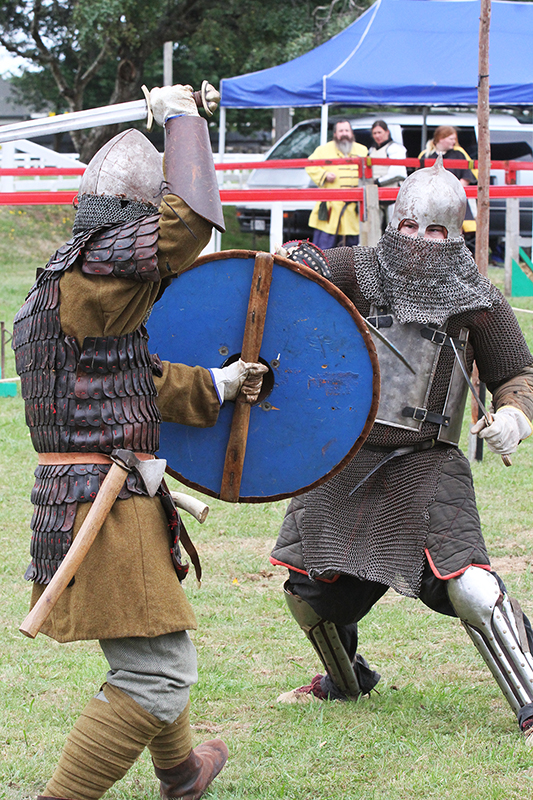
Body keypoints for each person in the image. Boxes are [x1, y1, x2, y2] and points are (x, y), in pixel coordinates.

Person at [12, 83, 267, 800]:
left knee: (156, 637)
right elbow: (190, 225)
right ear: (132, 214)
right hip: (105, 502)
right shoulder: (100, 266)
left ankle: (182, 774)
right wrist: (185, 118)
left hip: (88, 494)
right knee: (156, 671)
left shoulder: (56, 285)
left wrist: (216, 384)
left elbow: (125, 377)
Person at [270, 155, 533, 742]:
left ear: (454, 235)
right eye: (410, 226)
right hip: (347, 457)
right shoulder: (360, 269)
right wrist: (298, 260)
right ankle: (345, 680)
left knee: (470, 587)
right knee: (307, 592)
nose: (420, 240)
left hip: (426, 460)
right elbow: (303, 269)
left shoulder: (477, 299)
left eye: (435, 230)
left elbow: (519, 372)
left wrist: (515, 414)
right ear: (394, 224)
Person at [305, 120, 368, 249]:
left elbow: (368, 171)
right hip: (331, 210)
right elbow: (310, 165)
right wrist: (324, 175)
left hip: (352, 211)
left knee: (352, 251)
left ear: (351, 133)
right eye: (341, 131)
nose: (344, 134)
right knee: (324, 250)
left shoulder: (362, 150)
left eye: (346, 131)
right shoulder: (323, 150)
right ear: (335, 134)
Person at [419, 125, 477, 250]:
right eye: (451, 138)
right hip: (431, 200)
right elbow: (420, 179)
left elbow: (466, 178)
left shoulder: (459, 154)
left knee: (455, 230)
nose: (454, 142)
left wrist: (451, 192)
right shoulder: (426, 155)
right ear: (441, 138)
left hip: (454, 199)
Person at [368, 120, 407, 232]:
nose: (377, 136)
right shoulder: (372, 150)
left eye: (380, 132)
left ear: (387, 132)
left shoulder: (395, 148)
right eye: (375, 133)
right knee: (375, 228)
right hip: (376, 194)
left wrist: (378, 181)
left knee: (394, 228)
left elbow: (398, 172)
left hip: (392, 192)